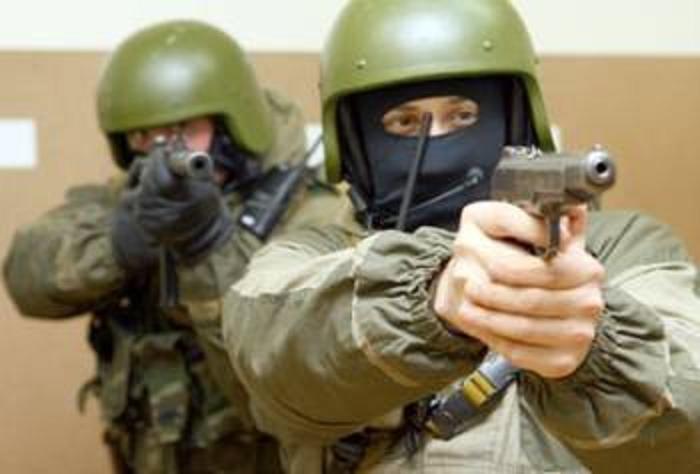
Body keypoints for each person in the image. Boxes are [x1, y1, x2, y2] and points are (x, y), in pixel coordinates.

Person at [220, 0, 700, 473]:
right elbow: (270, 356)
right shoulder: (311, 253)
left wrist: (592, 347)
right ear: (358, 144)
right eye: (404, 122)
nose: (436, 144)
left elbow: (687, 409)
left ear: (513, 120)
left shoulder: (624, 248)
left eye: (465, 116)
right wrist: (432, 296)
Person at [3, 20, 341, 474]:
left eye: (183, 128)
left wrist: (209, 246)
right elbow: (27, 275)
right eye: (143, 135)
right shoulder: (133, 200)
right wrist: (122, 242)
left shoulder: (311, 214)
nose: (160, 149)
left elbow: (290, 382)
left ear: (232, 125)